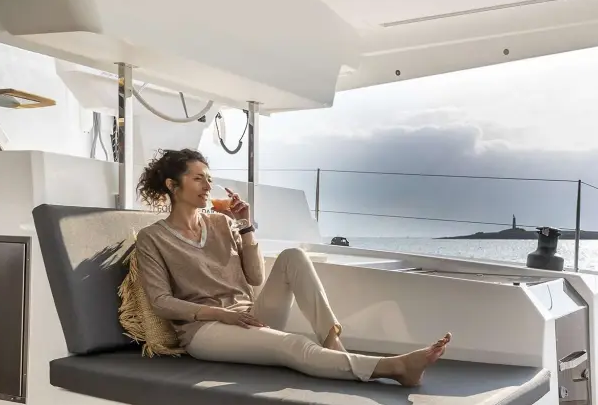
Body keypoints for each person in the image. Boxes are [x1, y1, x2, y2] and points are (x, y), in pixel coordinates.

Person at [133, 148, 451, 386]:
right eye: (198, 178)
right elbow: (161, 302)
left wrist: (245, 226)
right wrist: (221, 314)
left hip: (249, 316)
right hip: (207, 331)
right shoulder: (152, 238)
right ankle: (395, 368)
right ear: (172, 185)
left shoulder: (221, 223)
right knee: (294, 344)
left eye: (209, 179)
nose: (207, 185)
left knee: (293, 256)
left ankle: (333, 344)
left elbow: (255, 277)